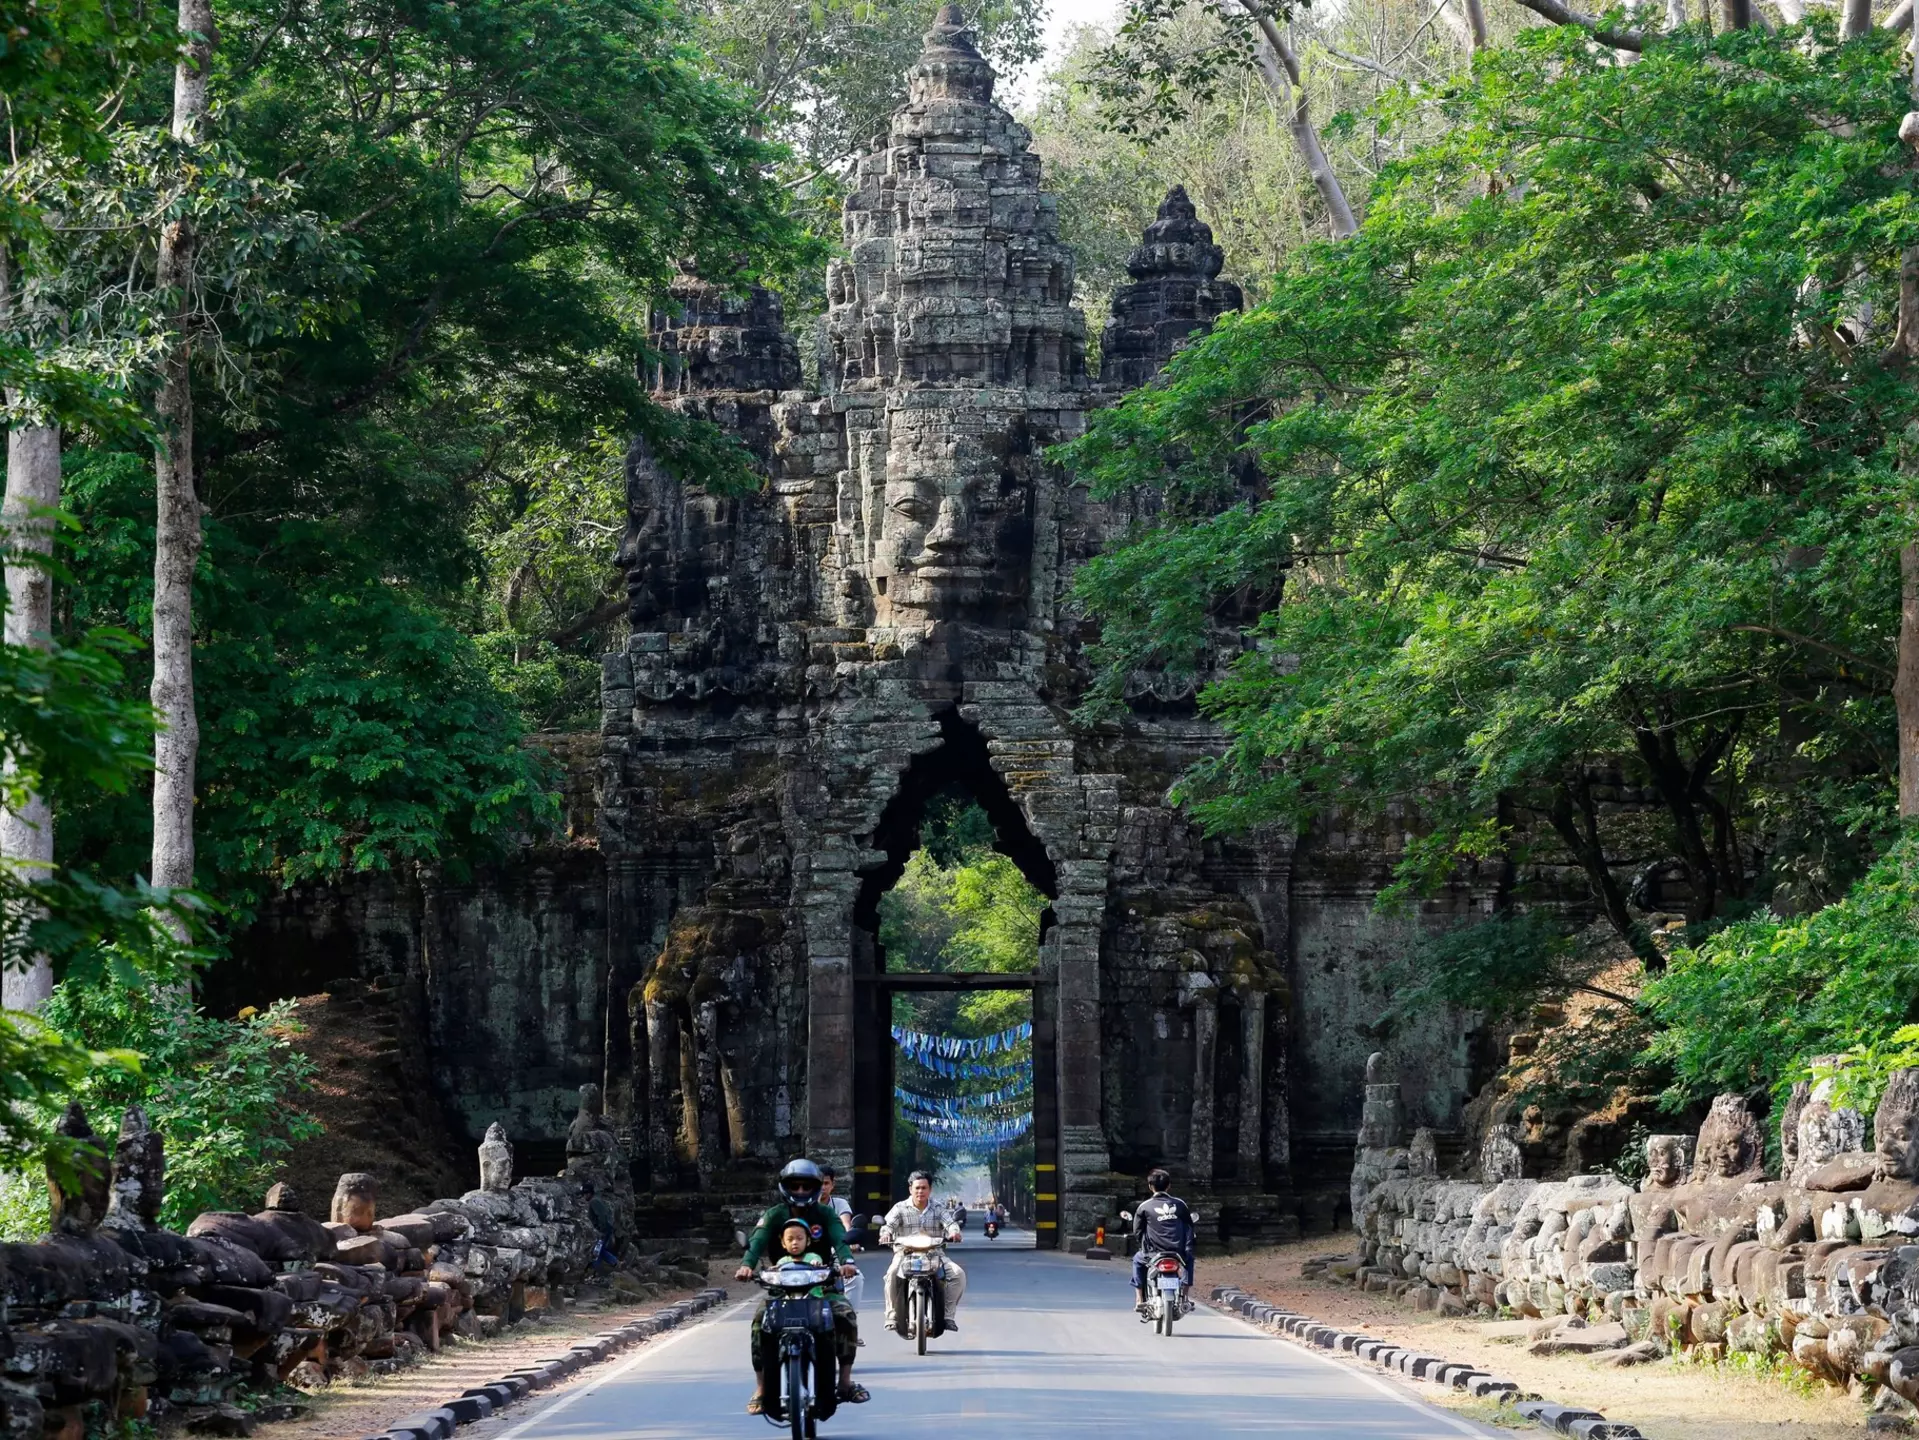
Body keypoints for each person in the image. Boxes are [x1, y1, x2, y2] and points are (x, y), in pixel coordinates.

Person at [735, 1159, 868, 1411]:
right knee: (759, 1321)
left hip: (822, 1287)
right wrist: (746, 1265)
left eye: (806, 1187)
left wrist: (847, 1261)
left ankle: (845, 1381)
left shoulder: (825, 1213)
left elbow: (841, 1239)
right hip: (782, 1288)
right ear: (785, 1187)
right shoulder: (775, 1214)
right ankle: (762, 1388)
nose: (800, 1192)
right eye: (794, 1187)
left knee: (846, 1315)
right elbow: (756, 1240)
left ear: (816, 1188)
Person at [879, 1171, 966, 1335]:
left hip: (935, 1254)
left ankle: (948, 1316)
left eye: (924, 1188)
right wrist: (885, 1234)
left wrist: (954, 1232)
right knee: (891, 1274)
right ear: (910, 1189)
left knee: (958, 1274)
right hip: (905, 1254)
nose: (920, 1191)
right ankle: (891, 1316)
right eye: (917, 1188)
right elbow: (888, 1225)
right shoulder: (900, 1208)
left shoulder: (938, 1208)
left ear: (930, 1189)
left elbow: (950, 1223)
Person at [1128, 1167, 1196, 1316]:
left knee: (1137, 1261)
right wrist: (1187, 1248)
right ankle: (1185, 1297)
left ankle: (1139, 1299)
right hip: (1178, 1252)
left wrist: (1144, 1247)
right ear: (1169, 1185)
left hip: (1153, 1253)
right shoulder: (1180, 1204)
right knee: (1190, 1260)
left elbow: (1138, 1232)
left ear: (1150, 1186)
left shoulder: (1144, 1207)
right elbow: (1189, 1227)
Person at [818, 1165, 865, 1319]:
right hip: (806, 1257)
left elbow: (846, 1223)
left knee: (855, 1278)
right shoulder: (803, 1205)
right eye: (818, 1183)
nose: (822, 1188)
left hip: (835, 1254)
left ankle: (849, 1321)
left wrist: (849, 1239)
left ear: (832, 1185)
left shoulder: (839, 1204)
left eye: (825, 1183)